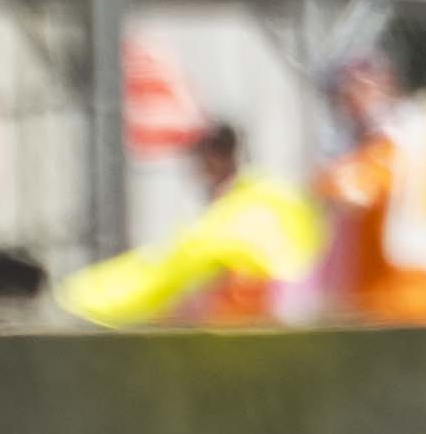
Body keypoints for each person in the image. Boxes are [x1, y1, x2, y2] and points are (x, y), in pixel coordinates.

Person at [51, 121, 330, 330]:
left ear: (221, 156)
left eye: (202, 159)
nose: (197, 169)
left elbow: (195, 266)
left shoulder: (245, 206)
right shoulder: (250, 200)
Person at [310, 43, 426, 326]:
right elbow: (333, 194)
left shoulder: (407, 142)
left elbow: (358, 192)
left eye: (360, 88)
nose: (352, 100)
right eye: (344, 93)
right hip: (362, 304)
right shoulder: (346, 156)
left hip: (412, 302)